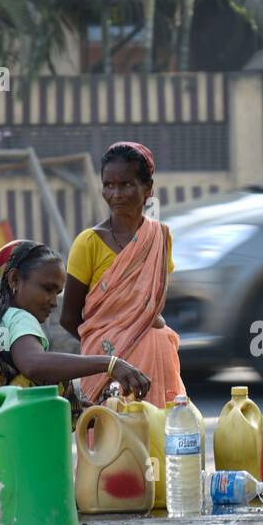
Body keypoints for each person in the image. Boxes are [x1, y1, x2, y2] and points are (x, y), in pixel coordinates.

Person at [0, 240, 150, 501]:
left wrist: (83, 409)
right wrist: (109, 364)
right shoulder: (16, 318)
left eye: (57, 292)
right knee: (47, 388)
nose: (53, 303)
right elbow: (35, 365)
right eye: (47, 289)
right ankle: (41, 491)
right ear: (14, 280)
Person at [58, 141, 184, 405]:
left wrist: (135, 333)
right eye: (108, 185)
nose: (116, 193)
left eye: (126, 184)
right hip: (110, 368)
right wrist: (108, 351)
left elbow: (149, 307)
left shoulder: (159, 238)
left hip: (157, 358)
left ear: (148, 189)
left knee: (159, 437)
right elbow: (69, 318)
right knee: (112, 439)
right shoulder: (88, 243)